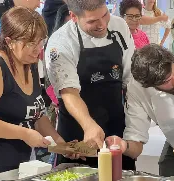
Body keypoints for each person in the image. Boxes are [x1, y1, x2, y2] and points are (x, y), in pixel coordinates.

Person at [0, 7, 67, 180]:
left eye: (41, 41)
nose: (38, 49)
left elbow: (36, 114)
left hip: (21, 161)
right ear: (9, 41)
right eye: (30, 43)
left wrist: (58, 142)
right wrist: (24, 133)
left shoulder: (30, 63)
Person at [45, 0, 136, 170]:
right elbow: (69, 92)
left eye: (104, 15)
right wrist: (89, 125)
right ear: (73, 16)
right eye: (92, 21)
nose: (102, 24)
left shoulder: (119, 27)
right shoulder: (60, 44)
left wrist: (135, 126)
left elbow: (130, 79)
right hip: (78, 133)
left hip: (116, 127)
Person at [106, 44, 174, 178]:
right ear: (148, 85)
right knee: (167, 172)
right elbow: (136, 143)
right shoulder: (136, 89)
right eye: (166, 81)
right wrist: (123, 145)